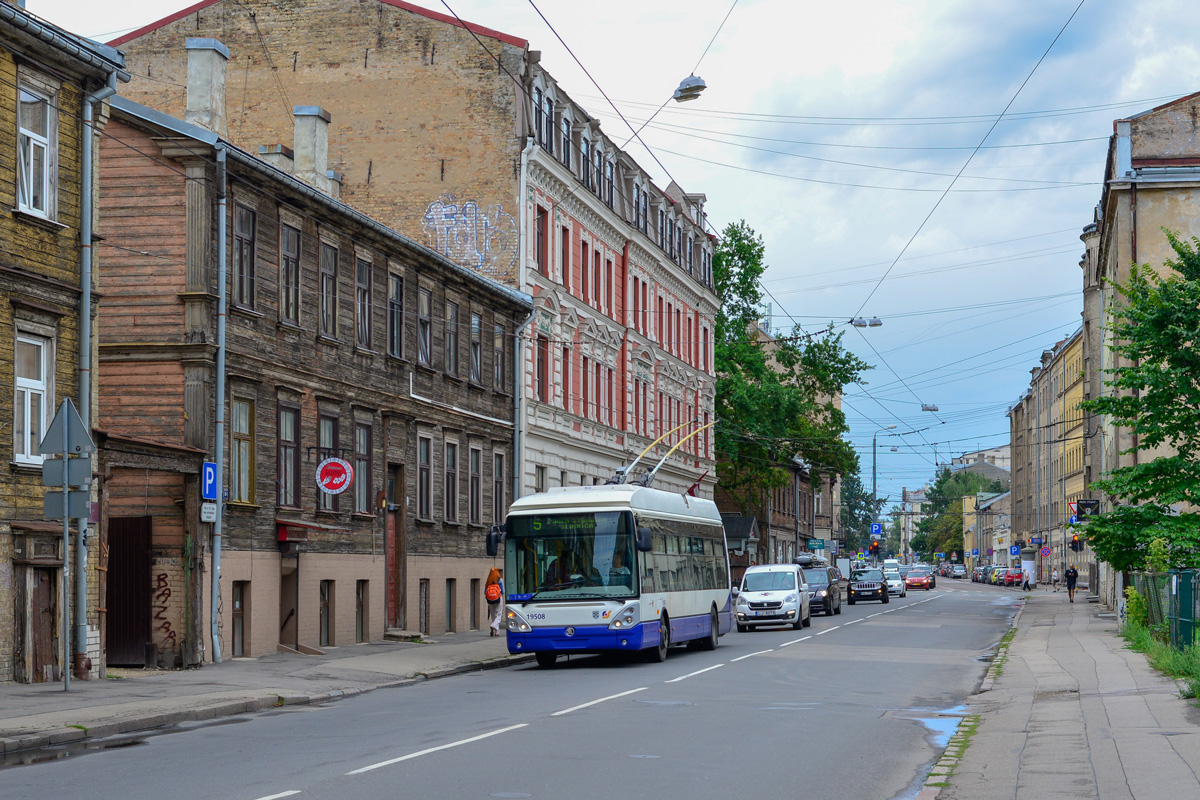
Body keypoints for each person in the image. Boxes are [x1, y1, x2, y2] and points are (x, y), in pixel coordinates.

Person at [486, 567, 504, 636]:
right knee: (499, 614)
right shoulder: (499, 580)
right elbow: (503, 591)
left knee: (493, 615)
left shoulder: (488, 581)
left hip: (490, 600)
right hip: (498, 598)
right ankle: (494, 626)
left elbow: (485, 592)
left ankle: (497, 631)